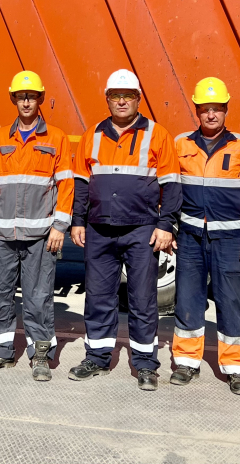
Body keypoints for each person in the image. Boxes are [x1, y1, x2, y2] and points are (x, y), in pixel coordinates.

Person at [68, 69, 180, 391]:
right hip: (100, 229)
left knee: (143, 299)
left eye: (128, 95)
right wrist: (78, 220)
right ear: (107, 99)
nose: (121, 101)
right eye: (115, 95)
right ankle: (98, 356)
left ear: (138, 99)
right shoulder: (93, 134)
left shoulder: (157, 135)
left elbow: (171, 185)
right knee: (99, 297)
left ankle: (145, 364)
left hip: (141, 230)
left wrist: (166, 224)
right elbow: (81, 182)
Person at [170, 77, 240, 395]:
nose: (211, 114)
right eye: (205, 109)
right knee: (187, 299)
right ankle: (186, 362)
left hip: (230, 240)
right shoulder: (181, 144)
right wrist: (167, 226)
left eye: (217, 109)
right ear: (196, 111)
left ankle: (237, 369)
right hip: (190, 238)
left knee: (232, 302)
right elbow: (168, 189)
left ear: (226, 110)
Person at [0, 71, 73, 382]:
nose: (27, 100)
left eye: (32, 96)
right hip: (1, 233)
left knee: (39, 295)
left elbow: (66, 185)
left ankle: (40, 355)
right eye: (21, 96)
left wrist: (59, 226)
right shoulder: (1, 137)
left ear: (40, 99)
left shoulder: (55, 137)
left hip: (41, 236)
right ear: (14, 99)